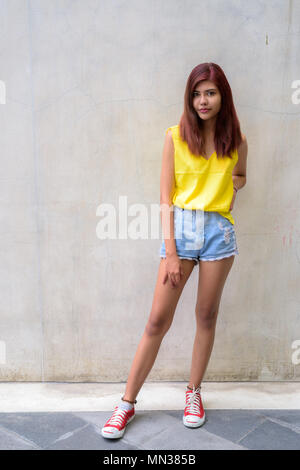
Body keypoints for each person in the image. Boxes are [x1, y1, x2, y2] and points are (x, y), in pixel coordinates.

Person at [101, 62, 248, 439]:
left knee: (206, 316)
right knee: (157, 321)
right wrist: (170, 252)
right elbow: (165, 198)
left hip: (219, 234)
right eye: (197, 93)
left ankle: (194, 393)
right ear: (190, 97)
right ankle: (126, 403)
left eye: (210, 93)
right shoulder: (175, 137)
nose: (203, 100)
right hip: (181, 232)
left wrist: (232, 189)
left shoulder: (237, 140)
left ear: (222, 96)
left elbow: (241, 174)